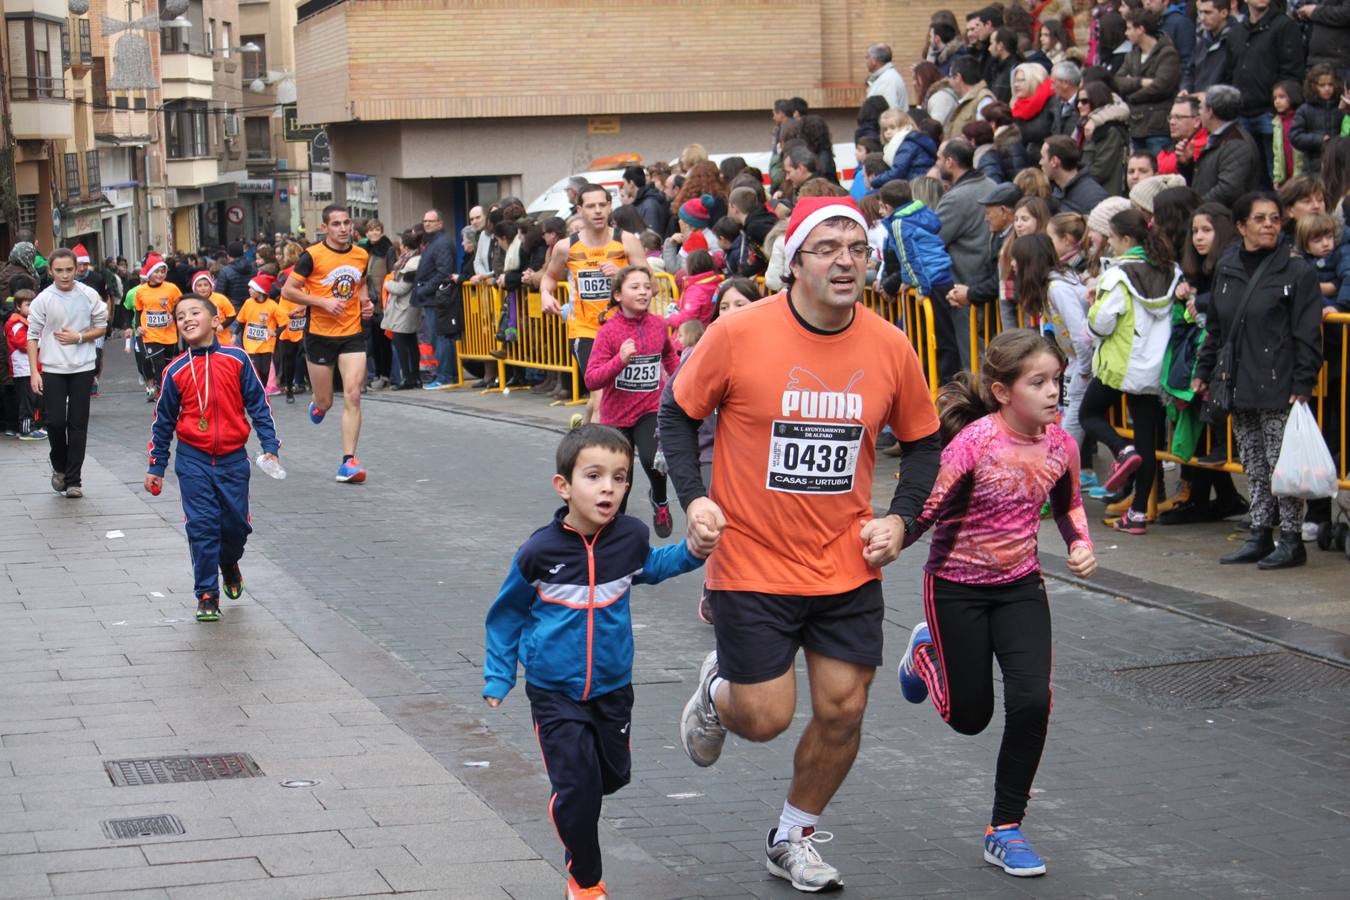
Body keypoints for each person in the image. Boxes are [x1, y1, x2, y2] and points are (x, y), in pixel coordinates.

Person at [660, 196, 942, 892]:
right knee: (765, 719)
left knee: (844, 708)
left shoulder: (888, 344)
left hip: (846, 562)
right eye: (828, 248)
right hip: (752, 558)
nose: (846, 260)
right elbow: (677, 410)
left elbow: (926, 443)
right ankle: (718, 690)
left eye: (858, 248)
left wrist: (902, 520)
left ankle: (793, 836)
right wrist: (695, 499)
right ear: (793, 263)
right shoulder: (738, 333)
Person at [896, 328, 1097, 880]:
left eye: (1057, 380)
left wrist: (1080, 543)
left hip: (1019, 585)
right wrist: (888, 540)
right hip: (955, 587)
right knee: (969, 717)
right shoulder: (974, 443)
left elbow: (1069, 504)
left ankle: (1004, 829)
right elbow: (929, 509)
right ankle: (922, 655)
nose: (1055, 392)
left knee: (1033, 700)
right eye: (1040, 382)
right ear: (1003, 391)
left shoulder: (1061, 445)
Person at [482, 425, 712, 900]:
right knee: (579, 790)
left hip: (612, 687)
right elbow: (506, 615)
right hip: (553, 691)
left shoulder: (628, 537)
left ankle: (574, 802)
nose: (608, 487)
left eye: (620, 477)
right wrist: (500, 675)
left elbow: (652, 566)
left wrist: (692, 552)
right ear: (563, 486)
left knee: (611, 777)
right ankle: (585, 881)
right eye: (593, 476)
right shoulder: (539, 552)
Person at [1193, 191, 1323, 569]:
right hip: (1238, 380)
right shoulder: (1228, 265)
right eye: (1260, 219)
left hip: (1280, 382)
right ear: (1240, 226)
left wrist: (1302, 383)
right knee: (1254, 461)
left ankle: (1291, 539)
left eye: (1274, 219)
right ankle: (1260, 533)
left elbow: (1306, 333)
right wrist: (1204, 372)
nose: (1269, 225)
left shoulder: (1296, 270)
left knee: (1282, 464)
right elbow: (1216, 328)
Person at [145, 292, 279, 624]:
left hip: (234, 459)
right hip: (193, 460)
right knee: (202, 526)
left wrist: (269, 444)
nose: (187, 319)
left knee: (235, 528)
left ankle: (229, 562)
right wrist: (156, 466)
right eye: (180, 316)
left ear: (216, 320)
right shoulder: (175, 370)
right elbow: (163, 422)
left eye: (194, 313)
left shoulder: (237, 359)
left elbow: (258, 405)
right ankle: (207, 594)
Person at [1078, 208, 1182, 535]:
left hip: (1121, 365)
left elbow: (1102, 321)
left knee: (1089, 414)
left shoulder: (1118, 274)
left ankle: (1122, 451)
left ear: (1125, 239)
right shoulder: (1171, 271)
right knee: (1147, 441)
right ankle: (1137, 515)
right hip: (1155, 368)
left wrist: (1094, 306)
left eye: (1111, 237)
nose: (1109, 244)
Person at [541, 184, 648, 426]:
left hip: (622, 328)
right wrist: (546, 295)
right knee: (601, 398)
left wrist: (623, 273)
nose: (598, 211)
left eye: (602, 205)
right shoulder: (566, 247)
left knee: (603, 395)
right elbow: (549, 278)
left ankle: (583, 432)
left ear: (610, 207)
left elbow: (653, 284)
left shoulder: (627, 242)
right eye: (591, 206)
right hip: (585, 330)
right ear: (580, 210)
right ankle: (603, 456)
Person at [584, 266, 681, 536]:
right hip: (616, 416)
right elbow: (592, 379)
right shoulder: (609, 332)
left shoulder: (659, 325)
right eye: (635, 287)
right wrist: (620, 360)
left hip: (651, 409)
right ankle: (614, 528)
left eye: (646, 287)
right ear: (618, 295)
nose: (643, 292)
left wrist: (681, 382)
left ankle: (660, 500)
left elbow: (670, 358)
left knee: (655, 460)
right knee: (619, 475)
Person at [281, 204, 374, 483]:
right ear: (325, 228)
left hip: (352, 333)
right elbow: (288, 291)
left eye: (346, 223)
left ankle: (349, 462)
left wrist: (365, 303)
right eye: (336, 224)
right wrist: (322, 301)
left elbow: (361, 284)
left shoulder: (361, 254)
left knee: (354, 394)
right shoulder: (312, 256)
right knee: (326, 400)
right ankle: (319, 405)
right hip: (320, 335)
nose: (344, 229)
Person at [25, 248, 108, 499]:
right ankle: (59, 465)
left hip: (82, 366)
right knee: (55, 422)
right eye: (59, 270)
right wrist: (34, 372)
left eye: (69, 270)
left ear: (77, 269)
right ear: (50, 271)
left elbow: (102, 327)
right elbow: (32, 336)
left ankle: (74, 481)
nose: (64, 275)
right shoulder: (42, 299)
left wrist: (79, 337)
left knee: (77, 424)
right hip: (52, 367)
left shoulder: (89, 294)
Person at [1232, 0, 1305, 187]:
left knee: (1278, 178)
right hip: (1243, 114)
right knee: (1251, 179)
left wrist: (1280, 103)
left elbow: (1292, 71)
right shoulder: (1238, 30)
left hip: (1271, 114)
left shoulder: (1284, 25)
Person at [1112, 8, 1182, 155]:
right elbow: (1117, 82)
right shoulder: (1131, 56)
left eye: (1129, 28)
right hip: (1136, 126)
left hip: (1157, 127)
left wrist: (1132, 96)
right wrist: (1141, 82)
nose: (1126, 33)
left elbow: (1161, 86)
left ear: (1141, 29)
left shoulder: (1167, 53)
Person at [1187, 84, 1262, 207]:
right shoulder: (1219, 138)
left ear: (1210, 112)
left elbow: (1229, 190)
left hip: (1221, 219)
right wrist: (1186, 164)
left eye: (1200, 108)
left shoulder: (1237, 144)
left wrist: (1197, 206)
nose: (1198, 113)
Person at [414, 208, 459, 391]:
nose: (427, 224)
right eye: (425, 221)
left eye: (431, 221)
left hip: (438, 299)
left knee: (441, 338)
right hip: (433, 298)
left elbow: (444, 271)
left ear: (440, 223)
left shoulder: (441, 243)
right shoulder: (433, 242)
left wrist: (425, 289)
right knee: (437, 338)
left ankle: (445, 376)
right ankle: (448, 375)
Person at [134, 254, 182, 401]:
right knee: (158, 363)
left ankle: (165, 388)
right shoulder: (141, 291)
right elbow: (138, 310)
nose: (160, 274)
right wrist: (138, 326)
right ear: (149, 273)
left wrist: (173, 315)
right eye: (156, 271)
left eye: (163, 271)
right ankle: (162, 393)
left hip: (169, 334)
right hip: (150, 334)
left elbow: (181, 305)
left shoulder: (172, 288)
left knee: (167, 364)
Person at [6, 290, 44, 440]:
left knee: (34, 400)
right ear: (18, 306)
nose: (32, 308)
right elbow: (24, 344)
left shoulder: (29, 323)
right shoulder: (16, 324)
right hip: (23, 370)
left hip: (31, 368)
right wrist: (42, 342)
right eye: (28, 305)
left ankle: (33, 426)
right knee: (27, 401)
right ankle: (26, 429)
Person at [1185, 0, 1244, 96]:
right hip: (1197, 100)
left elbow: (1235, 80)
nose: (1202, 18)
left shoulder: (1237, 39)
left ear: (1224, 13)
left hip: (1219, 103)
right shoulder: (1203, 39)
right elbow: (1190, 71)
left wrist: (1209, 96)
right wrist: (1185, 89)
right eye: (1200, 12)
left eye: (1208, 12)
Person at [236, 273, 286, 385]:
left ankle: (262, 391)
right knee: (256, 369)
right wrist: (235, 335)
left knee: (265, 371)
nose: (249, 290)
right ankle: (257, 392)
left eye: (252, 288)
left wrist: (275, 332)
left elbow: (284, 322)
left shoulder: (272, 305)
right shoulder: (248, 303)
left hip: (266, 344)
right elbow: (241, 321)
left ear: (261, 291)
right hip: (251, 343)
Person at [1042, 135, 1110, 215]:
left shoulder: (1094, 198)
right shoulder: (1057, 189)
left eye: (1043, 157)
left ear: (1054, 161)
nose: (1040, 162)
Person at [864, 42, 909, 111]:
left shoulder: (887, 80)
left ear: (874, 60)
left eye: (867, 57)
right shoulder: (886, 77)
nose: (866, 61)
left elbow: (890, 113)